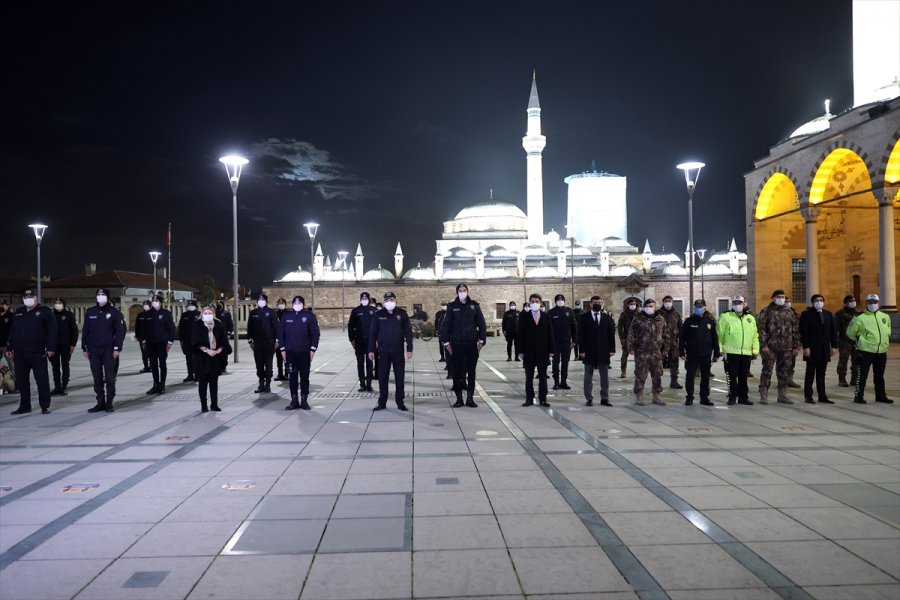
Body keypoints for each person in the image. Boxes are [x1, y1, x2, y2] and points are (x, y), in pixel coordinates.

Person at [5, 289, 57, 415]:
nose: (28, 298)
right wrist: (9, 347)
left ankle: (45, 406)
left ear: (35, 298)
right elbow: (13, 331)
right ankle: (24, 405)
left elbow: (52, 331)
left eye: (30, 296)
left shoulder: (45, 312)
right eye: (26, 296)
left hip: (38, 352)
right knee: (22, 381)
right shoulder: (19, 312)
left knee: (42, 380)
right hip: (20, 352)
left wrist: (51, 348)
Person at [440, 283, 487, 408]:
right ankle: (459, 398)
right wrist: (446, 343)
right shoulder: (452, 307)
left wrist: (481, 341)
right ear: (457, 292)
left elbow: (481, 324)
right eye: (460, 290)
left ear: (467, 291)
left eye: (464, 290)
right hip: (456, 345)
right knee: (457, 372)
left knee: (471, 371)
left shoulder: (474, 306)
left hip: (471, 344)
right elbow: (445, 326)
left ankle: (470, 398)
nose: (462, 292)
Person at [81, 288, 125, 413]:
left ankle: (109, 402)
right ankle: (100, 402)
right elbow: (85, 331)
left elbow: (119, 331)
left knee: (110, 377)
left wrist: (117, 348)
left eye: (103, 294)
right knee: (97, 377)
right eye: (98, 294)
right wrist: (84, 347)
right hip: (93, 349)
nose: (100, 296)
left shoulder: (114, 312)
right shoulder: (90, 312)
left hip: (109, 349)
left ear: (107, 297)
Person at [368, 291, 413, 411]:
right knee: (383, 377)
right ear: (384, 302)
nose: (389, 302)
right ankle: (382, 402)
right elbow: (373, 333)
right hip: (383, 351)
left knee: (400, 377)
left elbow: (408, 332)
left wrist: (409, 348)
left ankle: (400, 401)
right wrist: (371, 350)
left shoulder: (402, 314)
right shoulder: (378, 314)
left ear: (396, 300)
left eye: (392, 300)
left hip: (398, 351)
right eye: (387, 300)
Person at [846, 293, 892, 404]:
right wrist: (860, 340)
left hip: (881, 351)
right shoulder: (859, 317)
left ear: (878, 303)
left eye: (875, 302)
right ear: (866, 303)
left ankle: (880, 396)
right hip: (865, 351)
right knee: (862, 375)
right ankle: (858, 396)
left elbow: (888, 331)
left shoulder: (885, 317)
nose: (873, 304)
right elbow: (850, 332)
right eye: (870, 302)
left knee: (879, 376)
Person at [757, 289, 801, 404]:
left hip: (787, 347)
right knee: (767, 370)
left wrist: (796, 346)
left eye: (783, 297)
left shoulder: (789, 312)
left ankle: (782, 395)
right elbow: (761, 329)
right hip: (771, 347)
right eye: (779, 297)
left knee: (784, 371)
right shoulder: (766, 311)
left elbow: (795, 330)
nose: (781, 299)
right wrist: (764, 345)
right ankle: (764, 393)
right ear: (773, 298)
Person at [277, 295, 320, 410]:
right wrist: (282, 349)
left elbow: (315, 334)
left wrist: (312, 349)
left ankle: (304, 400)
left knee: (305, 377)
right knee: (292, 377)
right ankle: (294, 400)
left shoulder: (309, 316)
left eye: (299, 302)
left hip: (304, 352)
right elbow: (280, 334)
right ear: (292, 304)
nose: (297, 304)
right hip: (290, 352)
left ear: (303, 304)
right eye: (295, 303)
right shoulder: (286, 317)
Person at [716, 295, 758, 406]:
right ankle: (732, 396)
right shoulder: (725, 317)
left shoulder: (750, 318)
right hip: (731, 353)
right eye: (735, 303)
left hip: (746, 353)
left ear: (744, 304)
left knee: (743, 376)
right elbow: (720, 334)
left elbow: (755, 335)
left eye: (739, 303)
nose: (737, 305)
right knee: (732, 376)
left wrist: (755, 350)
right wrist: (720, 349)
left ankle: (743, 397)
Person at [679, 299, 720, 406]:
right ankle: (689, 397)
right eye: (696, 306)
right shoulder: (689, 321)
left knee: (705, 377)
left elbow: (715, 338)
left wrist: (716, 353)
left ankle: (704, 397)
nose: (698, 308)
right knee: (690, 376)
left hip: (706, 354)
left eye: (700, 306)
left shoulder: (709, 321)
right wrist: (681, 352)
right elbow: (682, 337)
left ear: (705, 307)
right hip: (692, 354)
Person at [627, 298, 668, 406]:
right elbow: (631, 334)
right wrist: (630, 347)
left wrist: (666, 349)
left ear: (655, 307)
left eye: (652, 306)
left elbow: (665, 335)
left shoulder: (660, 319)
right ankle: (639, 395)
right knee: (641, 374)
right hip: (642, 351)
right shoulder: (638, 319)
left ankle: (657, 395)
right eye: (648, 306)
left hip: (656, 352)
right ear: (644, 307)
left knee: (657, 374)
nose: (650, 308)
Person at [799, 294, 838, 404]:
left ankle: (822, 396)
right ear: (812, 303)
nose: (819, 302)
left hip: (824, 349)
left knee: (821, 373)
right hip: (812, 349)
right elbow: (804, 333)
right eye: (817, 300)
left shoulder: (828, 314)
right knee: (810, 373)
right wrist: (806, 347)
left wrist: (834, 346)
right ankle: (808, 396)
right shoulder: (806, 315)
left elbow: (833, 332)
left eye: (821, 300)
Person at [517, 293, 555, 406]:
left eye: (537, 301)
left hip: (543, 351)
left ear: (541, 303)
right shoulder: (524, 317)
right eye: (532, 301)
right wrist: (520, 351)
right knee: (529, 376)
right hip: (529, 351)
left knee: (543, 376)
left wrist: (551, 350)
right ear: (529, 303)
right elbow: (520, 335)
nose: (534, 303)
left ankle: (543, 398)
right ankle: (529, 398)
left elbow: (550, 334)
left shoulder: (546, 316)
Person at [579, 295, 616, 407]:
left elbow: (611, 334)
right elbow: (580, 335)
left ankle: (605, 398)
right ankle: (589, 398)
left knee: (604, 377)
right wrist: (582, 350)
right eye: (595, 302)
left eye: (600, 302)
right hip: (589, 351)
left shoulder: (607, 317)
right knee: (588, 376)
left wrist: (612, 349)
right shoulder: (583, 317)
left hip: (603, 351)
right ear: (591, 304)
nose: (597, 304)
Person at [192, 306, 228, 412]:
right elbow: (194, 342)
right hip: (202, 358)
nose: (208, 315)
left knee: (214, 382)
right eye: (205, 313)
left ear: (213, 314)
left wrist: (218, 350)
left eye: (209, 313)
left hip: (215, 358)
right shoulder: (197, 326)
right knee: (202, 382)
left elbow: (224, 341)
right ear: (202, 314)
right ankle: (204, 405)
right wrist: (207, 350)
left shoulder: (218, 325)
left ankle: (214, 404)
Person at [142, 295, 176, 394]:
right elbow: (144, 329)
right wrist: (143, 340)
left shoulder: (166, 314)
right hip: (151, 343)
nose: (154, 302)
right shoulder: (148, 314)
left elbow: (171, 329)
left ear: (160, 302)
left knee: (162, 364)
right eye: (153, 301)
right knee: (153, 364)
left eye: (156, 300)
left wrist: (170, 342)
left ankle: (162, 385)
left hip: (162, 343)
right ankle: (155, 384)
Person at [248, 293, 280, 393]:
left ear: (266, 300)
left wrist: (277, 341)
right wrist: (250, 340)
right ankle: (261, 383)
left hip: (269, 343)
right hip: (257, 343)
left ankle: (268, 384)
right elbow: (250, 328)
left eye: (262, 299)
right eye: (259, 299)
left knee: (268, 364)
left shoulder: (271, 312)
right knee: (259, 364)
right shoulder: (253, 313)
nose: (261, 300)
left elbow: (276, 327)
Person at [348, 291, 378, 392]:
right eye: (362, 298)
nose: (364, 300)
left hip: (370, 341)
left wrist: (377, 340)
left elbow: (378, 327)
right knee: (360, 363)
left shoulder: (374, 311)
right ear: (360, 299)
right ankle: (362, 384)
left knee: (370, 363)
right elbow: (350, 326)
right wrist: (351, 339)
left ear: (369, 299)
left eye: (366, 298)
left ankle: (369, 384)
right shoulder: (356, 311)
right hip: (359, 341)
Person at [49, 298, 79, 396]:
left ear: (64, 304)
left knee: (65, 366)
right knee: (55, 367)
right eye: (56, 303)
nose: (57, 304)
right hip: (53, 346)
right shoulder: (50, 315)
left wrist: (72, 344)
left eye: (60, 303)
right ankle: (57, 387)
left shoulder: (69, 315)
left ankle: (64, 386)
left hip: (65, 345)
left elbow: (74, 331)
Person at [547, 293, 577, 390]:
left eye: (562, 299)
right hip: (555, 342)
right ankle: (556, 382)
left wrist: (574, 340)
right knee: (555, 363)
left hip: (566, 342)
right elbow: (547, 328)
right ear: (555, 301)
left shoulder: (569, 312)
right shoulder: (551, 313)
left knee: (565, 362)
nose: (560, 301)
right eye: (558, 300)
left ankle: (563, 382)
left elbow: (574, 327)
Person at [659, 295, 683, 389]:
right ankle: (658, 383)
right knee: (659, 363)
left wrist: (681, 340)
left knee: (674, 362)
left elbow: (681, 327)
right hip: (661, 343)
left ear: (672, 302)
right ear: (663, 302)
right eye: (666, 301)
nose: (668, 302)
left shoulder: (676, 314)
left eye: (669, 301)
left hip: (673, 342)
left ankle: (674, 382)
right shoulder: (658, 313)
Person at [834, 294, 859, 388]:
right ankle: (842, 379)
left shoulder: (857, 313)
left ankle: (854, 379)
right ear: (846, 303)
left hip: (856, 341)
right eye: (851, 301)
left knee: (856, 360)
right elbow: (836, 328)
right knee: (843, 360)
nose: (853, 302)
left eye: (854, 300)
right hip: (844, 341)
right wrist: (836, 342)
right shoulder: (839, 313)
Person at [616, 296, 640, 377]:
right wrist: (622, 338)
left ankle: (638, 371)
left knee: (638, 357)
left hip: (638, 338)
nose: (633, 305)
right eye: (631, 304)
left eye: (634, 304)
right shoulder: (624, 314)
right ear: (628, 305)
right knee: (624, 356)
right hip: (627, 337)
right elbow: (620, 327)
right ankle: (623, 371)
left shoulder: (639, 314)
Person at [178, 300, 201, 383]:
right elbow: (180, 328)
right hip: (186, 340)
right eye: (188, 305)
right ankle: (190, 375)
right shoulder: (184, 315)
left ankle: (198, 375)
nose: (190, 306)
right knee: (188, 358)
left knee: (197, 358)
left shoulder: (199, 314)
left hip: (197, 340)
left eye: (191, 305)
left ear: (195, 306)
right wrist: (181, 339)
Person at [783, 297, 802, 388]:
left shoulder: (795, 314)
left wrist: (797, 345)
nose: (788, 303)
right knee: (782, 363)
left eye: (789, 301)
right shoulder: (776, 313)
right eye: (786, 302)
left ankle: (789, 379)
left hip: (791, 342)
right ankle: (782, 381)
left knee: (791, 362)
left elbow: (797, 330)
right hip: (779, 343)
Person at [215, 300, 234, 374]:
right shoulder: (214, 313)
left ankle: (224, 367)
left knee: (224, 352)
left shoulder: (226, 313)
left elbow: (230, 324)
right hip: (215, 336)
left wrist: (229, 333)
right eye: (217, 304)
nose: (219, 305)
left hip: (223, 335)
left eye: (220, 304)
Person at [135, 300, 153, 373]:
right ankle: (146, 367)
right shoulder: (140, 315)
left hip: (151, 338)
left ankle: (152, 366)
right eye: (144, 304)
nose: (145, 305)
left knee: (151, 353)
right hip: (142, 338)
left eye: (147, 304)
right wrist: (138, 336)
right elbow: (137, 326)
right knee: (144, 353)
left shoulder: (153, 314)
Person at [0, 299, 14, 389]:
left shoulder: (11, 316)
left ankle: (16, 384)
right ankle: (2, 386)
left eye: (3, 305)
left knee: (12, 365)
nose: (1, 306)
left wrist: (10, 344)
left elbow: (13, 331)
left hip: (7, 346)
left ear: (7, 306)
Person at [274, 298, 288, 381]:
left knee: (286, 358)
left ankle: (287, 374)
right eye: (279, 303)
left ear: (285, 304)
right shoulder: (275, 314)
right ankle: (280, 374)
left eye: (282, 303)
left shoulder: (288, 313)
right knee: (279, 358)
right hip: (278, 339)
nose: (281, 304)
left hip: (286, 339)